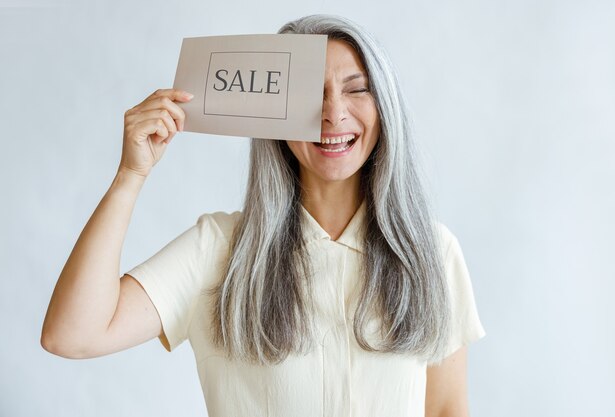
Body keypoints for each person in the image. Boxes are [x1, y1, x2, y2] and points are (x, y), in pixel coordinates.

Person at [41, 14, 484, 417]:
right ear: (275, 114)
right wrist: (130, 174)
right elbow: (72, 334)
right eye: (311, 93)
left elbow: (446, 409)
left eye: (357, 88)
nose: (333, 113)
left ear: (384, 106)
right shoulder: (217, 249)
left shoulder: (433, 253)